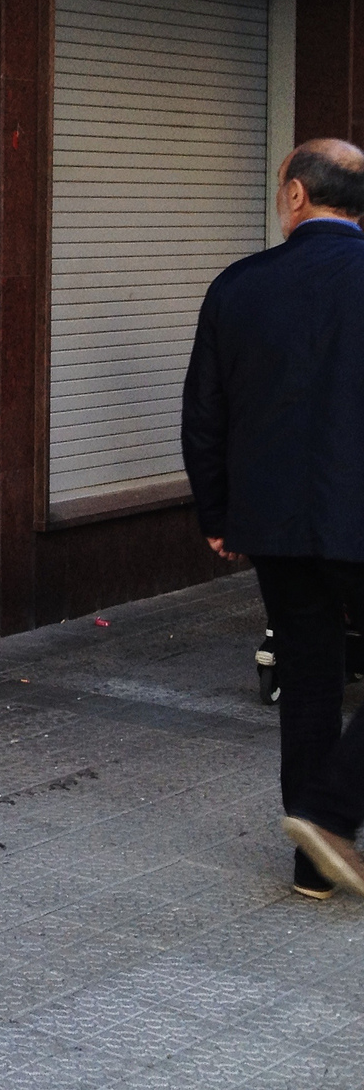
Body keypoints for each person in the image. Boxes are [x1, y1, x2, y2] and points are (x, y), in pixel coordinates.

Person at [183, 139, 364, 900]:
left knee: (311, 676)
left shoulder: (240, 285)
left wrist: (217, 512)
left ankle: (312, 868)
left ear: (296, 195)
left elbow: (205, 411)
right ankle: (328, 816)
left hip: (273, 522)